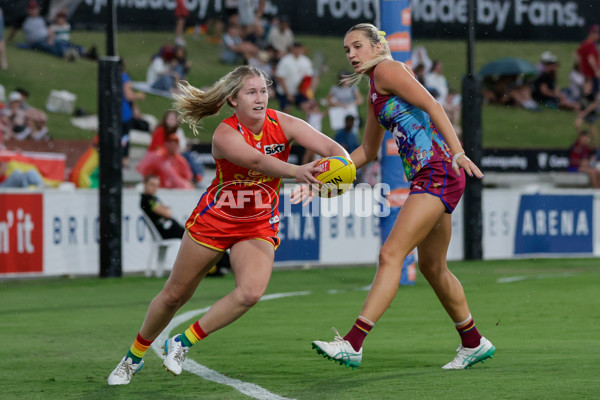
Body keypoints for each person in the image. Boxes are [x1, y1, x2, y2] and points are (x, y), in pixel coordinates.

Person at [107, 65, 348, 386]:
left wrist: (333, 175)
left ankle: (182, 342)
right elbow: (257, 161)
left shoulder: (285, 123)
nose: (260, 97)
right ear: (233, 99)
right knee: (174, 295)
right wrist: (300, 171)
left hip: (258, 222)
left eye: (263, 90)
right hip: (217, 218)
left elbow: (336, 151)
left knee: (250, 293)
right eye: (251, 92)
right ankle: (132, 357)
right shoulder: (225, 133)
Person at [308, 23, 493, 371]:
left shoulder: (388, 70)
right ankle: (473, 342)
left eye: (358, 46)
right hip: (433, 175)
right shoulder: (374, 92)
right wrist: (318, 174)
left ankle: (353, 343)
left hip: (439, 171)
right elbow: (366, 150)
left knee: (391, 253)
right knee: (432, 266)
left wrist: (458, 152)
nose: (351, 54)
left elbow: (434, 105)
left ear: (379, 46)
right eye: (347, 50)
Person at [141, 174, 229, 274]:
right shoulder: (147, 199)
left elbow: (167, 211)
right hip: (168, 232)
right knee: (201, 238)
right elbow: (167, 213)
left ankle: (220, 264)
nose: (154, 188)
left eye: (156, 185)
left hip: (172, 230)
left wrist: (165, 209)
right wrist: (165, 209)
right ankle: (222, 264)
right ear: (145, 184)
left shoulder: (153, 198)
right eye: (152, 185)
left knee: (204, 237)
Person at [274, 41, 313, 113]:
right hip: (284, 92)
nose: (297, 50)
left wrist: (307, 92)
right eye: (296, 48)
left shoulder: (306, 61)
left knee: (309, 107)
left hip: (299, 92)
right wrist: (287, 94)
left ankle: (307, 124)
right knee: (286, 110)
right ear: (292, 49)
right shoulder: (285, 60)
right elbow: (281, 78)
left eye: (299, 48)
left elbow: (308, 78)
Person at [577, 24, 600, 95]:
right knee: (592, 92)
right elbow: (590, 58)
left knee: (588, 90)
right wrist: (596, 70)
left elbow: (577, 54)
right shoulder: (589, 44)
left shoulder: (589, 43)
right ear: (592, 33)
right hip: (590, 72)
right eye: (597, 33)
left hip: (587, 72)